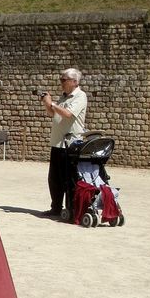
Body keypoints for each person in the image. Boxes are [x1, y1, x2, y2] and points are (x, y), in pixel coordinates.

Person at [41, 68, 87, 216]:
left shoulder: (80, 96)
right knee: (54, 178)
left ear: (74, 82)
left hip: (71, 144)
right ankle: (56, 207)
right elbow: (53, 114)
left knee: (69, 178)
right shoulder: (64, 97)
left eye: (64, 80)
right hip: (57, 143)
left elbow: (67, 114)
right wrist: (47, 103)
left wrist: (53, 104)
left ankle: (71, 209)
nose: (61, 82)